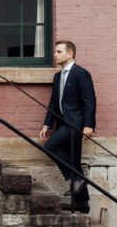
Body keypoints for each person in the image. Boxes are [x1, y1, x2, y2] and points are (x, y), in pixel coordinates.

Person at [39, 40, 96, 213]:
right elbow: (54, 102)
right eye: (55, 51)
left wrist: (88, 125)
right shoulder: (58, 77)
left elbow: (89, 100)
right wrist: (47, 124)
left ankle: (76, 179)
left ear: (70, 53)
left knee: (50, 146)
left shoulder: (81, 74)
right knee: (74, 161)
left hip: (76, 124)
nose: (55, 55)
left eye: (58, 51)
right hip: (62, 123)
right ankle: (82, 203)